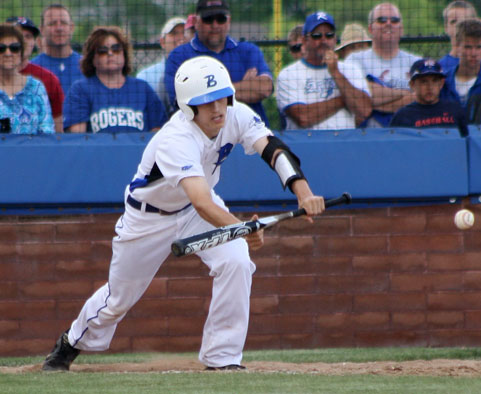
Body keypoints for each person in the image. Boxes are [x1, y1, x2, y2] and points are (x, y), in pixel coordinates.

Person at [41, 56, 325, 372]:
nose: (217, 109)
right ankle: (70, 344)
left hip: (194, 211)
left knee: (237, 261)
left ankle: (222, 358)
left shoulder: (236, 114)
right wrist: (243, 228)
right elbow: (203, 201)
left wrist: (304, 192)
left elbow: (273, 149)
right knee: (118, 300)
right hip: (148, 219)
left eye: (221, 98)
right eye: (206, 103)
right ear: (189, 107)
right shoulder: (175, 138)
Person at [164, 0, 273, 124]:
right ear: (196, 22)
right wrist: (245, 86)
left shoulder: (249, 51)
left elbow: (264, 88)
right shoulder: (179, 56)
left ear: (229, 21)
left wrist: (205, 93)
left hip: (249, 132)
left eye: (221, 19)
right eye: (208, 19)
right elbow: (184, 102)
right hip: (202, 137)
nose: (215, 25)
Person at [276, 11, 372, 130]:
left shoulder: (350, 69)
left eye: (329, 35)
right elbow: (303, 118)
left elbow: (365, 110)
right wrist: (344, 100)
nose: (323, 40)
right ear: (305, 40)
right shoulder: (289, 74)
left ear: (335, 39)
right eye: (317, 35)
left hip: (343, 143)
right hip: (305, 144)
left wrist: (335, 72)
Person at [63, 26, 167, 133]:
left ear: (124, 54)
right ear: (92, 59)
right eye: (102, 51)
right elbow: (78, 138)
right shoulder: (81, 90)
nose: (110, 53)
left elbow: (157, 134)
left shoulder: (142, 89)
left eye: (116, 49)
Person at [344, 2, 420, 127]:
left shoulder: (415, 63)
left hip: (408, 136)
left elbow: (421, 100)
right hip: (367, 138)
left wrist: (375, 103)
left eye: (394, 20)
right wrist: (405, 94)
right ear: (370, 29)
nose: (388, 24)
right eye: (382, 20)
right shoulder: (354, 60)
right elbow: (357, 98)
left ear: (401, 29)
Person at [6, 16, 64, 132]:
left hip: (36, 146)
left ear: (34, 42)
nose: (24, 40)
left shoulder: (48, 79)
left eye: (28, 36)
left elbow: (58, 130)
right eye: (18, 35)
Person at [390, 58, 468, 137]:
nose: (430, 87)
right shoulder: (402, 116)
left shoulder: (455, 110)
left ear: (441, 84)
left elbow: (467, 142)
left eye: (434, 81)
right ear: (412, 85)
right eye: (424, 81)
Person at [0, 24, 54, 134]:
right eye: (1, 48)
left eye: (14, 48)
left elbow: (47, 133)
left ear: (21, 52)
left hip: (32, 150)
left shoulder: (36, 88)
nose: (8, 53)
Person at [136, 17, 188, 112]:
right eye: (174, 33)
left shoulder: (200, 69)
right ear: (162, 42)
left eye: (184, 33)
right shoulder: (145, 76)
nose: (181, 38)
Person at [32, 4, 83, 95]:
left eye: (63, 23)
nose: (59, 28)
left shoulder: (87, 66)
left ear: (72, 27)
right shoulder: (31, 69)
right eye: (52, 24)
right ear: (41, 29)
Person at [439, 1, 481, 72]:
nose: (459, 25)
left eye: (465, 20)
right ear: (446, 27)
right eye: (454, 21)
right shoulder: (440, 68)